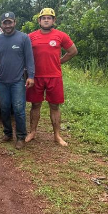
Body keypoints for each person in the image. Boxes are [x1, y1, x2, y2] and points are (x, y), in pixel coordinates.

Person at [26, 8, 78, 146]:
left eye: (49, 18)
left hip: (54, 76)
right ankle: (32, 132)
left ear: (54, 20)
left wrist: (59, 61)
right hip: (36, 76)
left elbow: (73, 51)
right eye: (44, 18)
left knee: (54, 106)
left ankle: (57, 135)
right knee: (35, 105)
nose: (46, 20)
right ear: (39, 21)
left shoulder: (61, 36)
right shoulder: (31, 36)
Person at [0, 12, 35, 149]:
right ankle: (7, 133)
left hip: (17, 81)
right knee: (4, 108)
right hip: (2, 81)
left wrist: (31, 76)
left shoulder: (23, 38)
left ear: (15, 22)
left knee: (19, 109)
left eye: (10, 22)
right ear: (1, 24)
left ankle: (21, 137)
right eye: (5, 23)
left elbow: (29, 59)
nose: (7, 25)